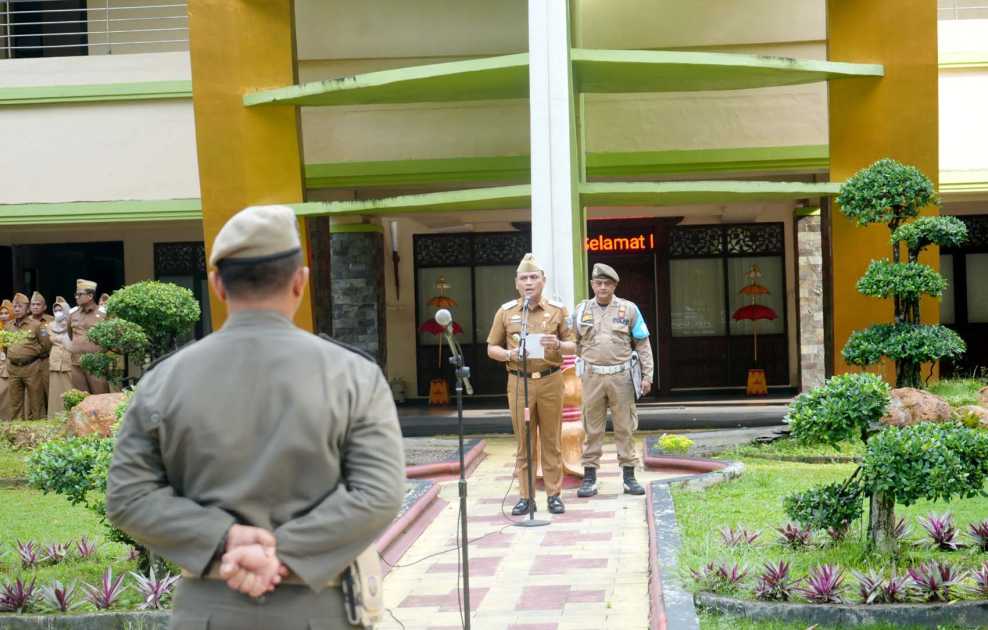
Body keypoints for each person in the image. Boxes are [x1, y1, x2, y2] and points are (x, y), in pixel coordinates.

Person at [106, 204, 405, 630]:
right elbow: (378, 494)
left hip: (208, 611)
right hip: (319, 610)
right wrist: (284, 552)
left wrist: (225, 538)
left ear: (217, 285)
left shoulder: (164, 380)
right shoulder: (353, 375)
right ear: (300, 281)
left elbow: (129, 498)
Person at [486, 253, 576, 516]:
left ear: (543, 281)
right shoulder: (506, 312)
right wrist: (509, 354)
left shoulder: (558, 310)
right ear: (516, 283)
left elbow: (574, 345)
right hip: (519, 382)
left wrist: (558, 344)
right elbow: (491, 348)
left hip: (550, 380)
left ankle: (554, 495)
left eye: (533, 277)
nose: (528, 283)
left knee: (551, 440)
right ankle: (526, 497)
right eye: (524, 278)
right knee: (524, 441)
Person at [575, 263, 655, 498]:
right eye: (598, 283)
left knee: (625, 427)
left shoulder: (629, 309)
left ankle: (629, 477)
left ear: (614, 286)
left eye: (607, 284)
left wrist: (648, 375)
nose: (602, 287)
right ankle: (589, 478)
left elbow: (642, 343)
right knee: (592, 428)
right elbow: (572, 341)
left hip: (621, 377)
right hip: (592, 377)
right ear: (592, 285)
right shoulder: (581, 311)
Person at [4, 293, 51, 420]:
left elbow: (46, 345)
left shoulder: (36, 325)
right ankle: (17, 428)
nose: (17, 309)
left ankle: (38, 427)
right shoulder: (8, 326)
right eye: (15, 306)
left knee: (36, 401)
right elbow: (6, 347)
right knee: (15, 402)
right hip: (13, 368)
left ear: (27, 308)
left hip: (32, 367)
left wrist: (31, 354)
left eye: (20, 306)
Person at [68, 279, 109, 395]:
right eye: (76, 294)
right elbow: (70, 334)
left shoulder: (103, 314)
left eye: (80, 294)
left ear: (90, 296)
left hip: (95, 363)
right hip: (76, 363)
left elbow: (111, 337)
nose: (76, 297)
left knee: (100, 396)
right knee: (80, 397)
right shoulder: (73, 314)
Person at [47, 297, 74, 418]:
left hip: (69, 359)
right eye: (56, 310)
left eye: (61, 310)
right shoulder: (50, 325)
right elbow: (51, 339)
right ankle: (54, 416)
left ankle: (70, 416)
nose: (58, 312)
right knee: (55, 390)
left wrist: (60, 340)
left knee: (69, 389)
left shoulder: (72, 324)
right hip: (55, 360)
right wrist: (63, 340)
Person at [29, 292, 54, 417]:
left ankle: (51, 416)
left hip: (47, 359)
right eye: (33, 304)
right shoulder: (26, 321)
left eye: (38, 304)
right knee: (33, 390)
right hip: (31, 361)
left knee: (49, 387)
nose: (35, 307)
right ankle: (36, 417)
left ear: (44, 307)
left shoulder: (51, 320)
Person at [0, 299, 11, 421]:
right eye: (1, 313)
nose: (3, 316)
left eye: (6, 313)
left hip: (10, 365)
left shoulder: (15, 329)